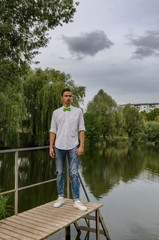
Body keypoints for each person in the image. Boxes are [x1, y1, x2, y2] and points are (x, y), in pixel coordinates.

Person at [49, 88, 87, 211]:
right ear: (62, 97)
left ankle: (76, 200)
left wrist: (81, 146)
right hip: (58, 146)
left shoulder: (78, 112)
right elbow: (53, 130)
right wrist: (50, 146)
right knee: (59, 173)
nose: (68, 98)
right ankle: (60, 197)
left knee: (74, 173)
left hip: (73, 147)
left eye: (70, 96)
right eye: (66, 96)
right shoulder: (56, 113)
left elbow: (81, 129)